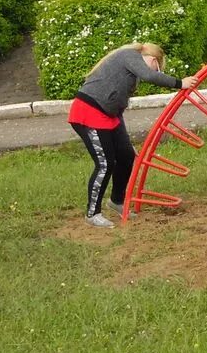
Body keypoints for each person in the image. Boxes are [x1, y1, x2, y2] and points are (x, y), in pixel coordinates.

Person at [68, 43, 199, 228]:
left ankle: (116, 201)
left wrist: (126, 142)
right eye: (158, 68)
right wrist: (180, 83)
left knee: (127, 156)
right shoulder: (129, 55)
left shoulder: (130, 72)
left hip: (110, 115)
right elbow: (150, 75)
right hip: (88, 112)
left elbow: (118, 105)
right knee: (105, 164)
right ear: (154, 60)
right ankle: (92, 213)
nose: (155, 71)